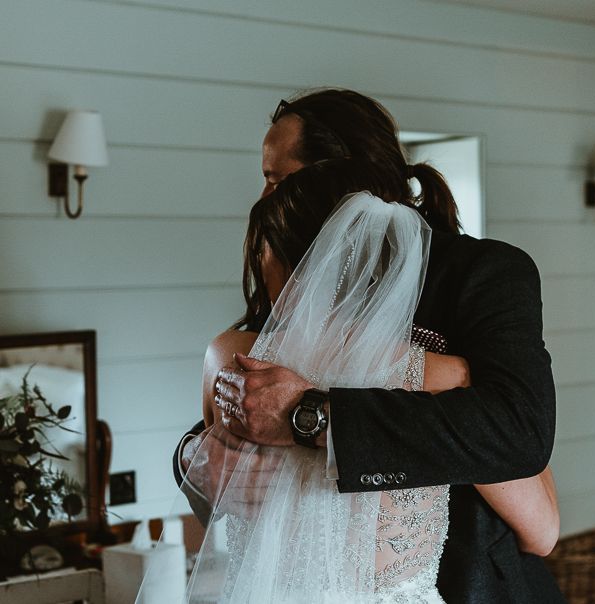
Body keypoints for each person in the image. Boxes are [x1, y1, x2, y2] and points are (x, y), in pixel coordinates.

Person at [174, 89, 565, 603]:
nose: (266, 200)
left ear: (336, 175)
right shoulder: (297, 277)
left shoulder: (482, 273)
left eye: (276, 179)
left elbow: (517, 432)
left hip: (466, 583)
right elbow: (250, 387)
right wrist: (194, 460)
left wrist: (309, 415)